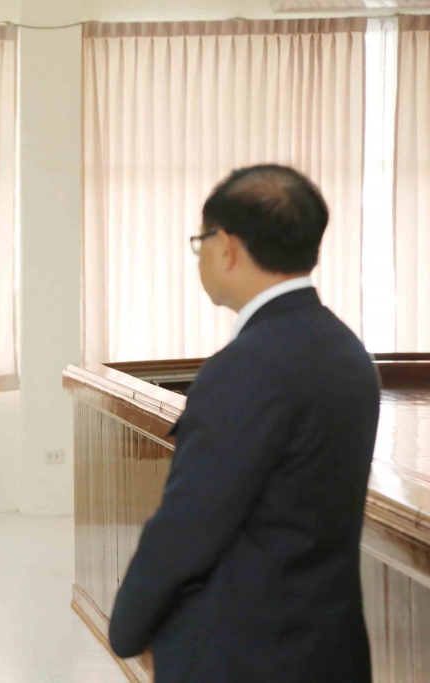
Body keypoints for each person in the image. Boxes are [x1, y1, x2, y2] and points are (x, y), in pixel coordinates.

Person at [108, 165, 381, 683]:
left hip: (241, 654)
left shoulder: (245, 368)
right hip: (329, 649)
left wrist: (130, 628)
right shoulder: (348, 354)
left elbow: (189, 525)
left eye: (201, 242)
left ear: (226, 247)